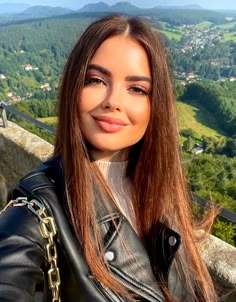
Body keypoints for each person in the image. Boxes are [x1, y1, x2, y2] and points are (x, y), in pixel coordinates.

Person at [0, 15, 217, 302]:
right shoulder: (34, 211)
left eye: (137, 88)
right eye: (95, 80)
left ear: (156, 106)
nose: (113, 100)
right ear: (73, 89)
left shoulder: (163, 194)